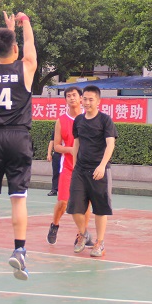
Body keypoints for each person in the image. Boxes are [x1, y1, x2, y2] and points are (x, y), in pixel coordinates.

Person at [0, 11, 37, 281]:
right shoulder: (26, 67)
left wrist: (7, 32)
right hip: (18, 137)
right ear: (15, 48)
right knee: (18, 197)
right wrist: (25, 23)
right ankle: (19, 250)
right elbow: (30, 48)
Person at [68, 85, 117, 258]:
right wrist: (75, 164)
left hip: (99, 171)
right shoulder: (79, 120)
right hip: (80, 170)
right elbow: (76, 143)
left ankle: (100, 242)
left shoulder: (105, 120)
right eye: (85, 99)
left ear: (98, 101)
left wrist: (102, 166)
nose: (87, 102)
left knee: (100, 209)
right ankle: (83, 234)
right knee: (74, 207)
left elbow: (110, 144)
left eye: (91, 99)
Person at [47, 87, 92, 247]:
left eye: (74, 95)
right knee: (63, 202)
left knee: (86, 203)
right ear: (65, 100)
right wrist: (71, 150)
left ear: (81, 99)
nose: (71, 98)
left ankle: (82, 233)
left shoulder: (89, 118)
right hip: (67, 167)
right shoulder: (61, 121)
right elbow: (57, 146)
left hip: (86, 168)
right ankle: (54, 224)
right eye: (68, 96)